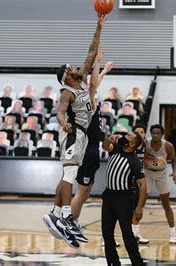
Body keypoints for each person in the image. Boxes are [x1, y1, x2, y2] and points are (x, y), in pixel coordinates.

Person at [42, 15, 105, 249]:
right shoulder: (66, 91)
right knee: (69, 176)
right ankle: (67, 216)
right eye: (71, 67)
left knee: (67, 175)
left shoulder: (82, 80)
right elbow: (60, 112)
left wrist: (99, 27)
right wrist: (63, 123)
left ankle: (56, 212)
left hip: (81, 135)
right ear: (67, 74)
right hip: (72, 132)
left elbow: (91, 52)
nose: (76, 67)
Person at [69, 47, 114, 227]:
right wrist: (98, 63)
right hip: (87, 152)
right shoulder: (85, 105)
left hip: (91, 150)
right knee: (81, 191)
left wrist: (103, 70)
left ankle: (75, 220)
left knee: (85, 190)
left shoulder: (86, 100)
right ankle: (69, 222)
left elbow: (94, 85)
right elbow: (94, 85)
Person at [101, 132, 147, 266]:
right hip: (108, 197)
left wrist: (139, 207)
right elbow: (105, 146)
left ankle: (137, 263)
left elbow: (143, 184)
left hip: (124, 199)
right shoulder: (116, 148)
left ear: (132, 144)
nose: (123, 138)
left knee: (127, 234)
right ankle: (113, 262)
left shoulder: (134, 161)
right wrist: (108, 139)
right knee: (106, 233)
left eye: (127, 137)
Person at [143, 124, 176, 244]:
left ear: (162, 135)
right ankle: (135, 232)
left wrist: (174, 173)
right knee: (140, 202)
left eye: (158, 133)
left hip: (161, 174)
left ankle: (173, 233)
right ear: (151, 134)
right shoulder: (145, 143)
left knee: (166, 204)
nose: (155, 135)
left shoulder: (168, 146)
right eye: (153, 133)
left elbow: (174, 160)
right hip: (147, 173)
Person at [131, 124, 150, 244]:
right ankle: (108, 238)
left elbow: (144, 162)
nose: (139, 134)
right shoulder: (128, 146)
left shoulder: (146, 147)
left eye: (142, 132)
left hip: (138, 181)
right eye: (137, 132)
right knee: (119, 211)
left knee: (137, 209)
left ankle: (136, 235)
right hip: (124, 181)